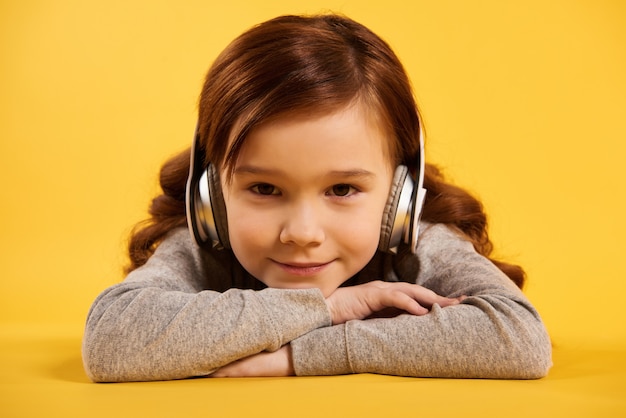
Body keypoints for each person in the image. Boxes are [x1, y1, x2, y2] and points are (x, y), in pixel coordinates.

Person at [82, 13, 552, 382]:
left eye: (342, 189)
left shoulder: (416, 242)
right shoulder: (203, 247)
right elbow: (110, 340)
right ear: (211, 194)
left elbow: (519, 339)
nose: (302, 234)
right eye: (264, 188)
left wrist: (297, 356)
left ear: (399, 197)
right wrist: (330, 306)